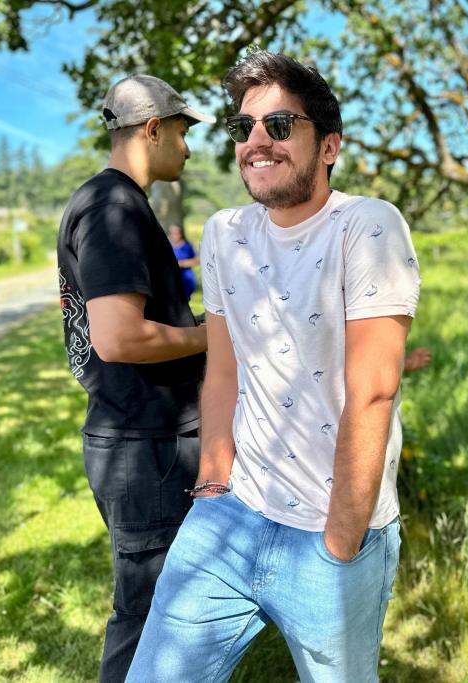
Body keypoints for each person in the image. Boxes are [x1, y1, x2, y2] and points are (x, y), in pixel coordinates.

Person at [127, 50, 420, 682]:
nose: (257, 141)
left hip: (332, 536)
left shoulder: (367, 227)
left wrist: (340, 542)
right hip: (228, 516)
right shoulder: (225, 232)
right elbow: (224, 371)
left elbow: (372, 393)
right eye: (244, 128)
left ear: (330, 145)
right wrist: (211, 486)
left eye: (280, 126)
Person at [55, 74, 214, 682]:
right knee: (147, 616)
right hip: (144, 447)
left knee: (166, 608)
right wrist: (213, 336)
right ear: (152, 130)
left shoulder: (111, 203)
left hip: (143, 439)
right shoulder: (114, 207)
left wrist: (194, 325)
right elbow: (118, 337)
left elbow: (137, 322)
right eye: (181, 131)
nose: (189, 147)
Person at [167, 223, 200, 299]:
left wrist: (181, 263)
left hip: (185, 279)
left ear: (181, 233)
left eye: (176, 233)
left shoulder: (187, 246)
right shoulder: (166, 245)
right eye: (172, 233)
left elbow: (196, 260)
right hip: (171, 278)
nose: (174, 235)